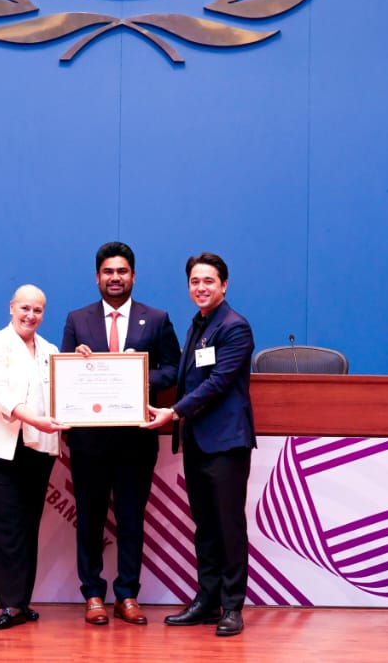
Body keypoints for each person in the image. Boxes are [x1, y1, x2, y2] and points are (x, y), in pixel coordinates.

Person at [60, 242, 180, 627]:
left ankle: (127, 595)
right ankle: (93, 594)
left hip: (135, 441)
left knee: (131, 519)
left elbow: (173, 370)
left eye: (122, 272)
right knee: (90, 520)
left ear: (133, 276)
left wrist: (135, 373)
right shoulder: (77, 319)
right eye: (108, 272)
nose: (115, 278)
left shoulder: (157, 319)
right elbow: (61, 376)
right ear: (98, 277)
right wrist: (78, 368)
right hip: (89, 441)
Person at [144, 253, 255, 637]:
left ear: (224, 285)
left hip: (225, 443)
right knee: (205, 527)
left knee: (228, 526)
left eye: (209, 281)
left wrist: (172, 411)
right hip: (197, 442)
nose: (201, 287)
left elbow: (218, 383)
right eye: (194, 281)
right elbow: (183, 374)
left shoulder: (235, 326)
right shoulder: (199, 324)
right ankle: (207, 601)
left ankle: (233, 607)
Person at [0, 284, 70, 630]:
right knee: (6, 524)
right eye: (25, 308)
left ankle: (21, 602)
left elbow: (67, 390)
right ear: (11, 307)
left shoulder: (50, 349)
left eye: (38, 310)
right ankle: (9, 604)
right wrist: (34, 418)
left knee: (27, 525)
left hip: (37, 449)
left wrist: (83, 365)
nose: (30, 315)